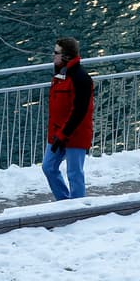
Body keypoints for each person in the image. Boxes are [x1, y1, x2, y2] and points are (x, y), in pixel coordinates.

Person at [43, 36, 95, 199]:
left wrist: (63, 134)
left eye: (56, 52)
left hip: (75, 134)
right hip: (58, 133)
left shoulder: (81, 78)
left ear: (66, 56)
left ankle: (78, 209)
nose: (53, 56)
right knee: (48, 167)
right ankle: (64, 203)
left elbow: (80, 111)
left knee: (74, 173)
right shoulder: (60, 75)